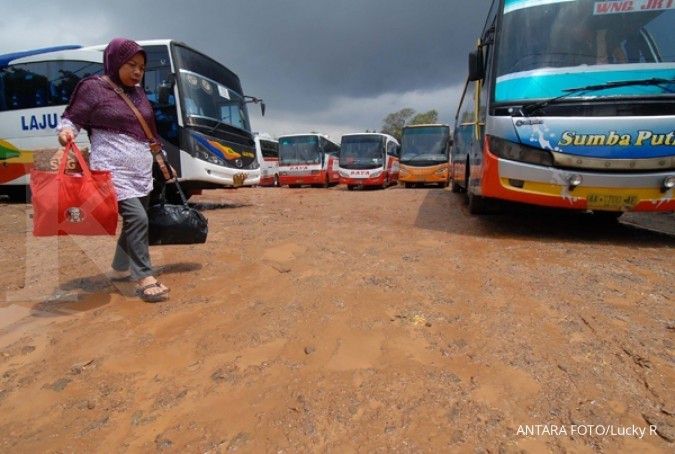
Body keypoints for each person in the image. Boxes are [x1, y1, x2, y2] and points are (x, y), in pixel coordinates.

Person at [57, 38, 170, 303]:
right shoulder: (92, 88)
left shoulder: (138, 93)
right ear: (115, 61)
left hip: (141, 170)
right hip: (112, 169)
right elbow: (73, 118)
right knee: (138, 219)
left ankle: (119, 268)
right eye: (131, 64)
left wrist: (161, 157)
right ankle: (144, 277)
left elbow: (149, 131)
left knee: (135, 221)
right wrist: (66, 132)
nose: (137, 72)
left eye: (141, 67)